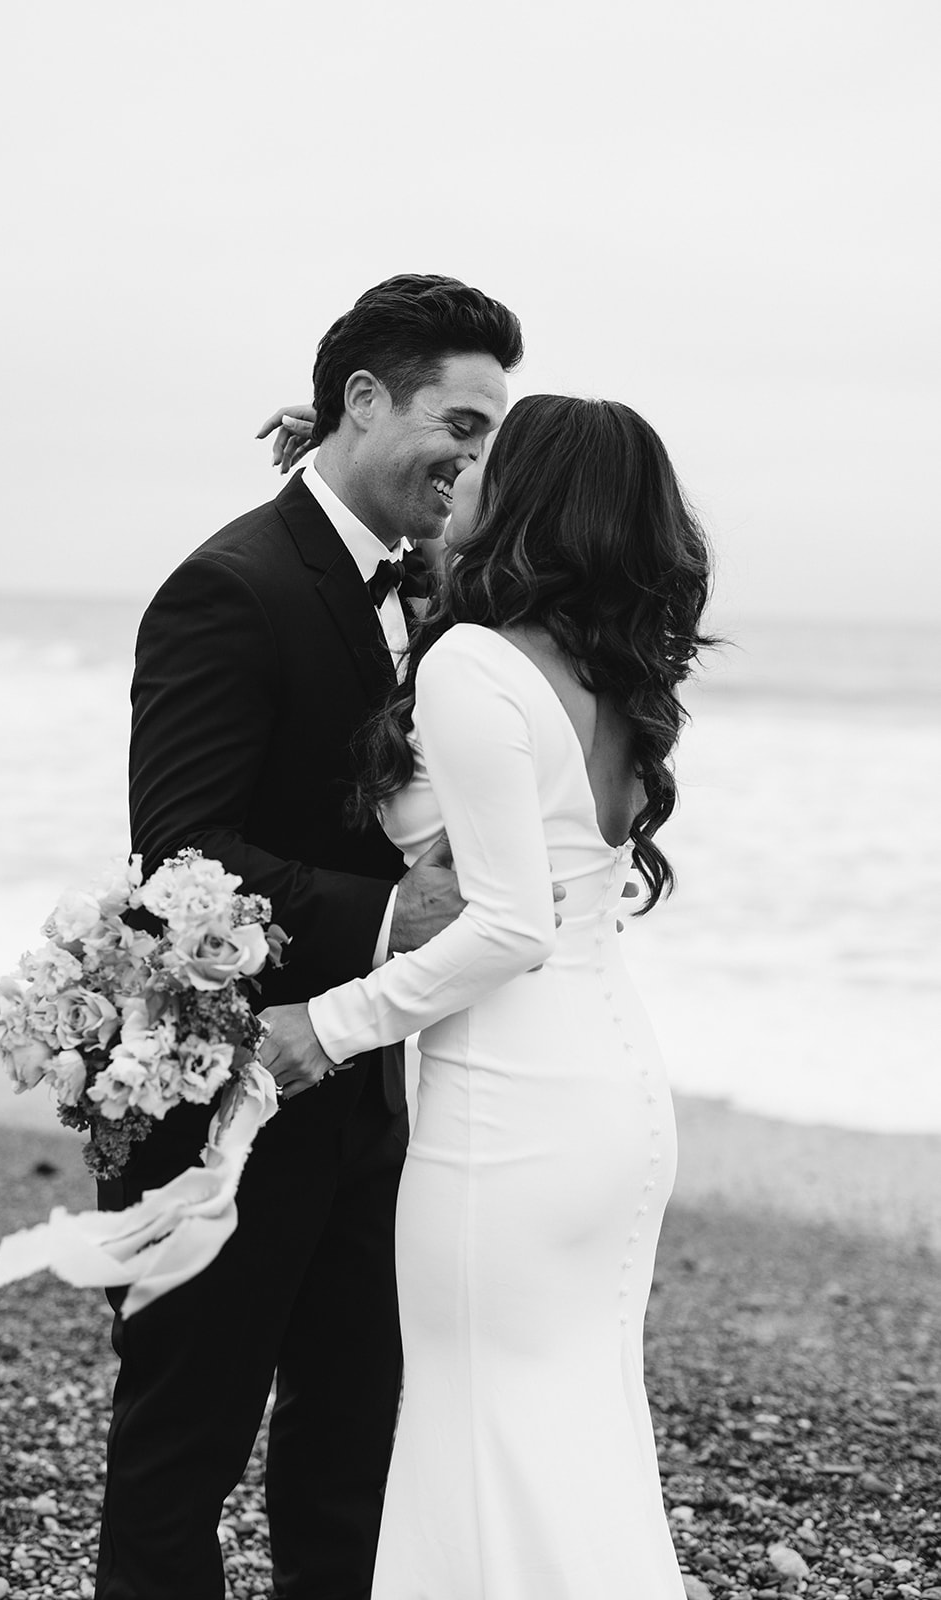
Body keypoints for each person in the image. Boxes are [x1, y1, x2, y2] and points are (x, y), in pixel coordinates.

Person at [96, 274, 526, 1600]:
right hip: (222, 1099)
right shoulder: (230, 585)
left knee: (350, 1460)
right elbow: (178, 849)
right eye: (456, 421)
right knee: (185, 1453)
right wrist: (395, 918)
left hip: (372, 1097)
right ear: (359, 399)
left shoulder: (433, 593)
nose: (472, 457)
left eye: (489, 435)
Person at [261, 393, 715, 1598]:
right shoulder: (603, 665)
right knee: (575, 1436)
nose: (458, 472)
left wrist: (330, 1023)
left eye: (484, 461)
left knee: (475, 1434)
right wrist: (331, 454)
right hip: (612, 1095)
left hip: (505, 1113)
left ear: (525, 499)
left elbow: (506, 924)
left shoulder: (476, 665)